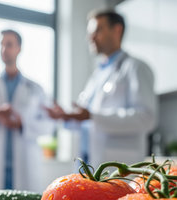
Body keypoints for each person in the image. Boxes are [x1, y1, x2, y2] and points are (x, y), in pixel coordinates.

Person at [47, 9, 157, 167]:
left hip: (118, 166)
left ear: (117, 30)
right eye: (90, 32)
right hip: (87, 164)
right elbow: (87, 120)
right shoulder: (97, 75)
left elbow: (146, 118)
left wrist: (93, 116)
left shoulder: (135, 68)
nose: (90, 37)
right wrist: (67, 117)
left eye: (97, 30)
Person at [0, 29, 54, 192]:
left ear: (19, 49)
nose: (3, 49)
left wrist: (22, 124)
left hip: (24, 165)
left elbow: (48, 125)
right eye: (1, 44)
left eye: (9, 44)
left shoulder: (35, 89)